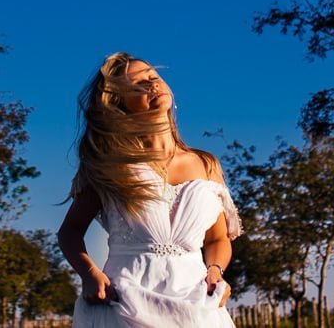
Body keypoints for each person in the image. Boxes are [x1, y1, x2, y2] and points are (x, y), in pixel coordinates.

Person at [57, 52, 243, 328]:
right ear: (119, 105)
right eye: (137, 85)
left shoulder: (206, 164)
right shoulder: (107, 167)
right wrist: (88, 274)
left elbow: (217, 238)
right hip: (124, 304)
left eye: (153, 77)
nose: (151, 85)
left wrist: (215, 271)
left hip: (197, 308)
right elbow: (70, 230)